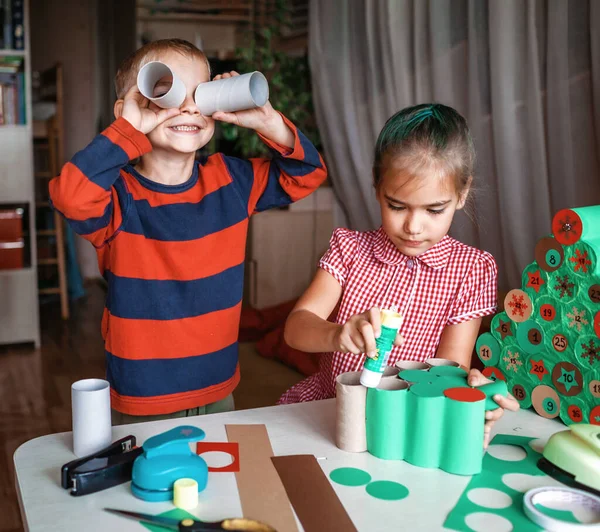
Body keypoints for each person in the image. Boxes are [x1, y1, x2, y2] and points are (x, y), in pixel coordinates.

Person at [49, 39, 327, 424]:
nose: (190, 106)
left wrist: (268, 121)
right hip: (145, 396)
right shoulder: (118, 199)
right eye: (167, 91)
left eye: (203, 94)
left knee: (214, 480)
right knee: (149, 482)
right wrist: (126, 129)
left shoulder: (232, 180)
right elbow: (69, 196)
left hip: (218, 386)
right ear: (130, 108)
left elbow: (309, 174)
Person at [280, 103, 517, 446]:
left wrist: (471, 394)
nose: (413, 227)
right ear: (377, 187)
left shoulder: (471, 270)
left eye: (434, 210)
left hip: (407, 425)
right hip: (329, 413)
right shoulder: (349, 249)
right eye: (397, 206)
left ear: (461, 194)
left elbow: (450, 369)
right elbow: (295, 328)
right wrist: (338, 335)